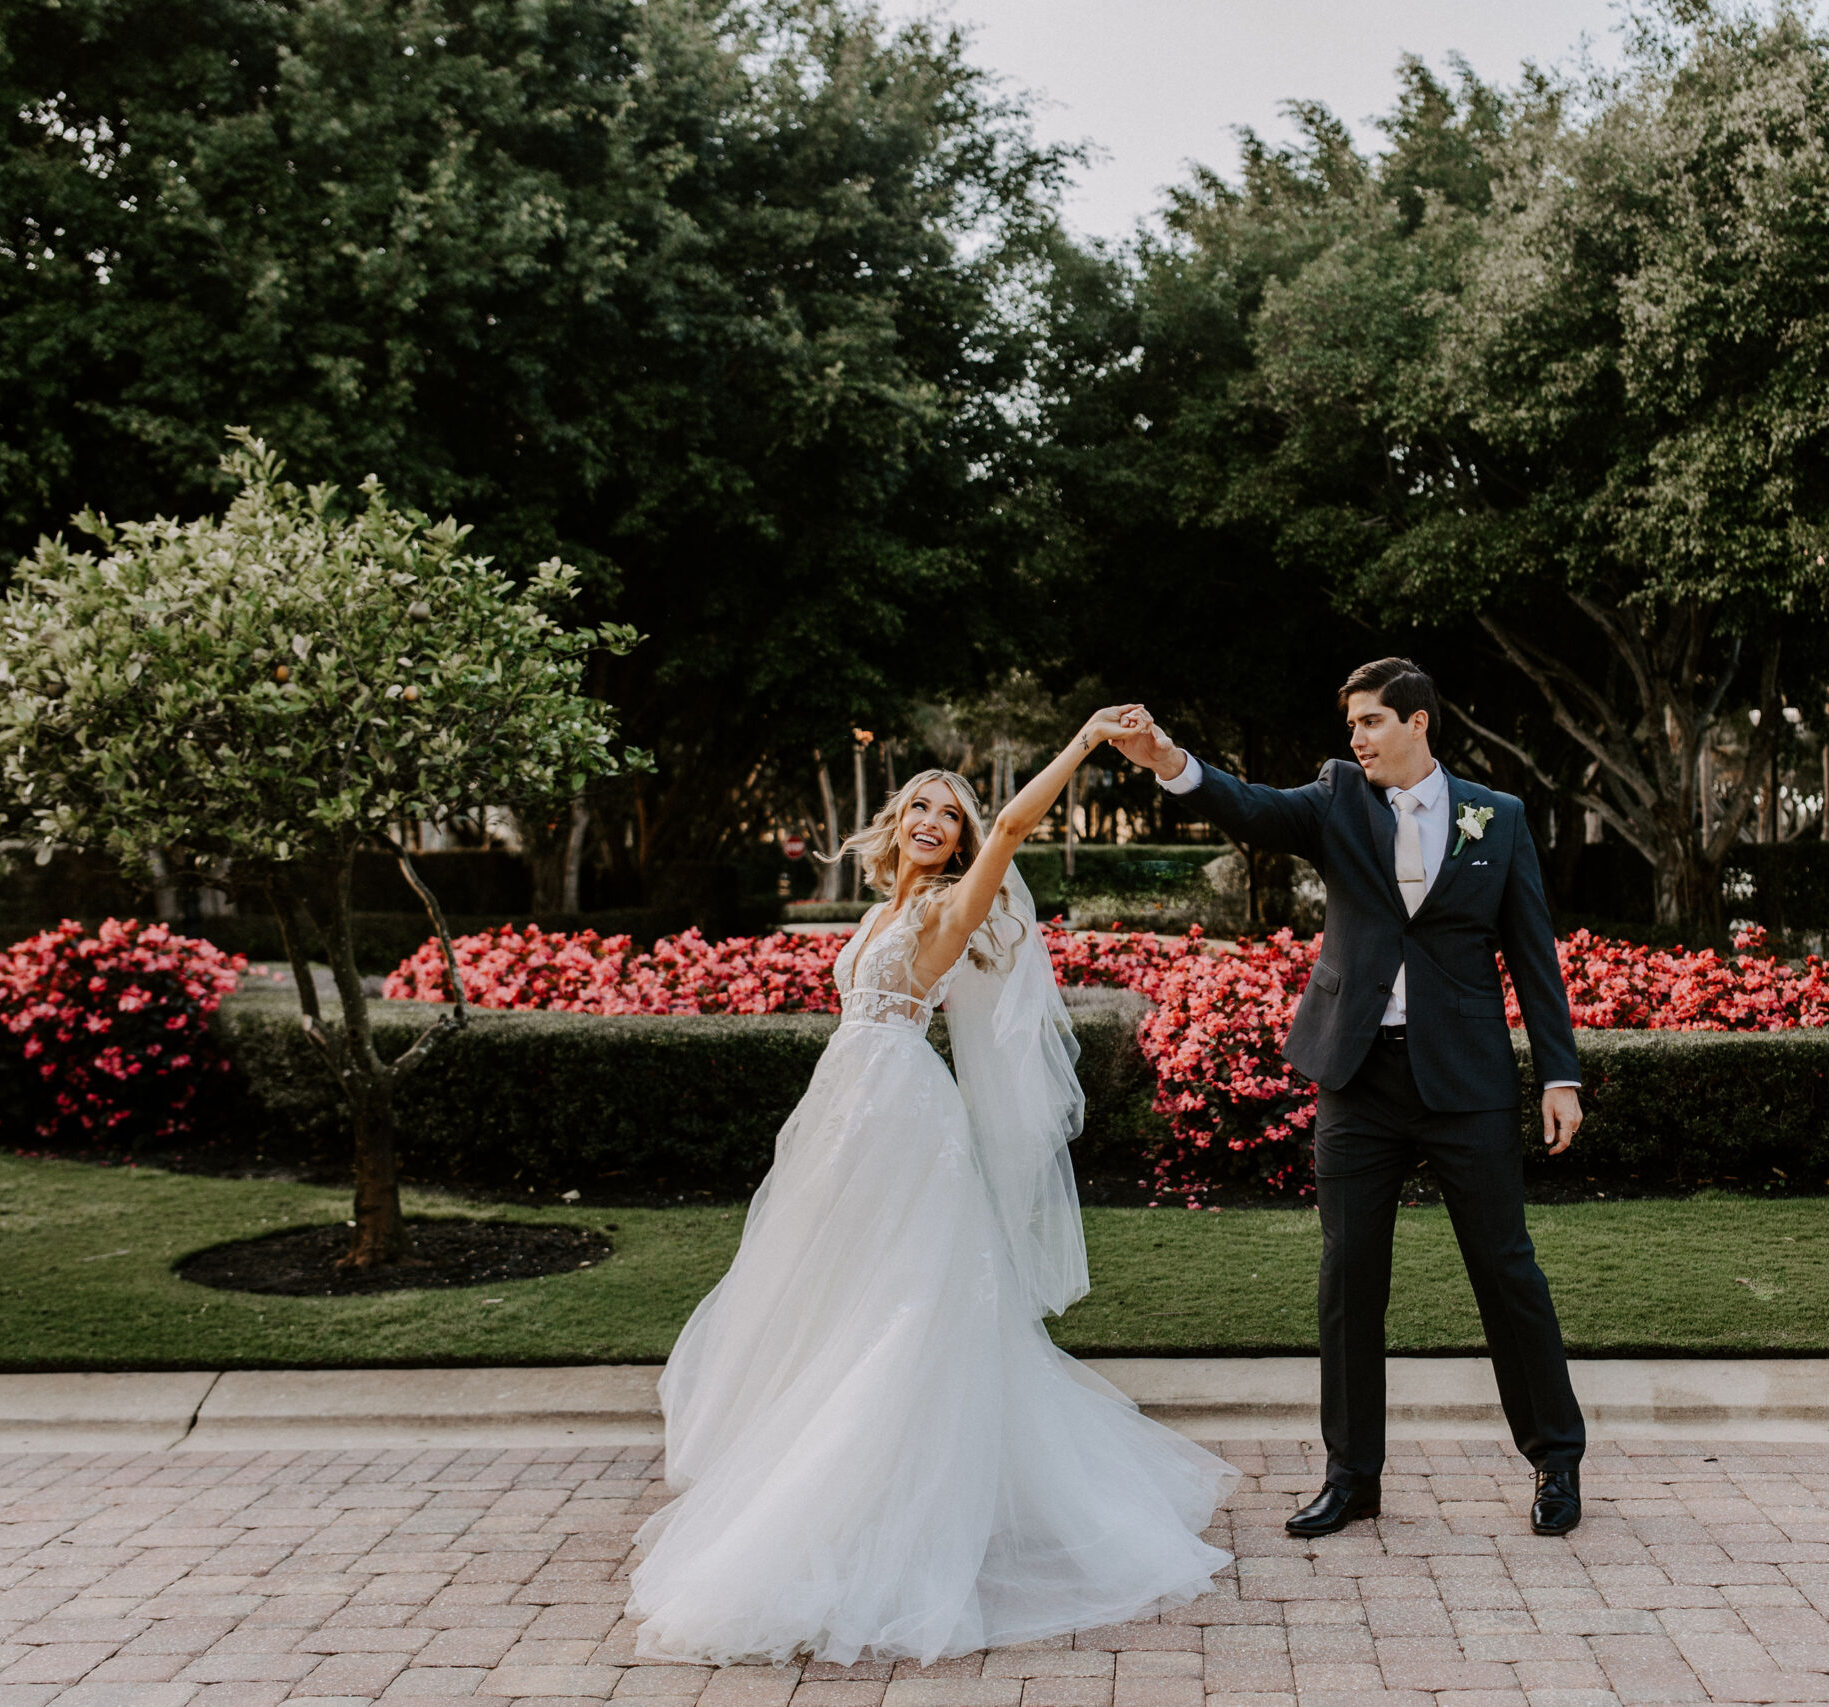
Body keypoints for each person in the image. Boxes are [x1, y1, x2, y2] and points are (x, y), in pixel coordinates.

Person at [629, 706, 1235, 1667]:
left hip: (906, 1115)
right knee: (829, 1302)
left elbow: (1010, 829)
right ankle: (836, 1494)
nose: (931, 820)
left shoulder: (950, 911)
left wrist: (1080, 744)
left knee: (903, 1310)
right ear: (895, 819)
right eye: (919, 804)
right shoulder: (873, 912)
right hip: (842, 1114)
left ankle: (868, 1509)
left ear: (958, 839)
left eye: (947, 815)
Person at [1111, 658, 1588, 1538]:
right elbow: (1247, 804)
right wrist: (1166, 758)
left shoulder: (1500, 817)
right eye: (1353, 725)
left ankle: (1556, 1462)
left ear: (1418, 724)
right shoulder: (1335, 797)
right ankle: (1352, 1475)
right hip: (1357, 1077)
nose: (1357, 738)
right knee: (1348, 1277)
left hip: (1467, 1083)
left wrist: (1559, 1074)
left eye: (1371, 721)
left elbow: (1533, 956)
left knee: (1507, 1269)